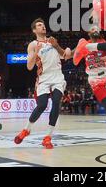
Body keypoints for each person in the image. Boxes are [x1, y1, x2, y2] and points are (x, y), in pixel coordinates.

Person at [14, 18, 71, 149]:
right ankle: (26, 130)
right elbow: (29, 66)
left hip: (57, 76)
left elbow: (64, 56)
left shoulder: (52, 40)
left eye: (44, 25)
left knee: (56, 102)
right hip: (43, 78)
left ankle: (48, 137)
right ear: (34, 30)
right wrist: (35, 52)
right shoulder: (33, 44)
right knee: (42, 105)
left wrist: (58, 46)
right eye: (40, 25)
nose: (43, 27)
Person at [73, 26, 106, 145]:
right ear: (88, 33)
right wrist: (76, 49)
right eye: (92, 29)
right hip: (95, 79)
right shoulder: (84, 45)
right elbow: (74, 61)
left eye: (97, 29)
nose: (96, 30)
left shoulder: (105, 43)